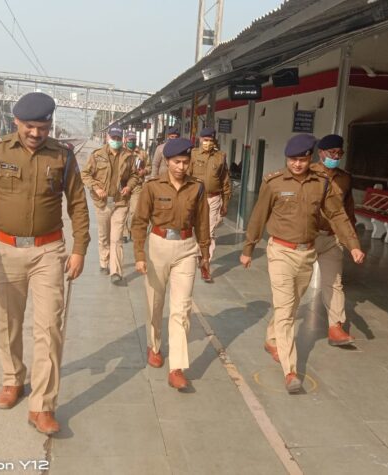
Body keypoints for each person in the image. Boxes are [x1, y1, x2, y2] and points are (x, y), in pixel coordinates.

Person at [0, 92, 90, 434]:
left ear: (50, 125)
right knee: (8, 322)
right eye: (29, 126)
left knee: (50, 327)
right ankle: (13, 378)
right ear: (16, 122)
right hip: (5, 251)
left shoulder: (62, 156)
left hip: (48, 252)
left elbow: (77, 203)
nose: (35, 133)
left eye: (42, 127)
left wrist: (80, 248)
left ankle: (42, 405)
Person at [239, 134, 365, 393]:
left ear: (310, 158)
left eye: (302, 159)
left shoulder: (321, 184)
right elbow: (258, 216)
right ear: (287, 159)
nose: (297, 164)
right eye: (292, 160)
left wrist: (353, 244)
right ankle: (290, 371)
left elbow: (338, 214)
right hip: (280, 252)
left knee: (291, 304)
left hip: (306, 253)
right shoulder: (274, 183)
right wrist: (248, 248)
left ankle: (272, 339)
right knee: (286, 310)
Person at [132, 138, 211, 391]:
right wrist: (139, 255)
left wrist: (205, 253)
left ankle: (176, 367)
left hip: (187, 249)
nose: (181, 167)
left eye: (186, 162)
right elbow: (139, 222)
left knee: (182, 308)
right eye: (177, 162)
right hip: (158, 246)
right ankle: (154, 345)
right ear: (167, 161)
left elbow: (203, 222)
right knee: (155, 302)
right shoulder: (152, 187)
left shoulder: (197, 188)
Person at [310, 134, 359, 346]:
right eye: (332, 153)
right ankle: (278, 330)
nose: (336, 157)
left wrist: (351, 241)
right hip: (308, 236)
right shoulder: (308, 173)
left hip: (332, 237)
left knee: (334, 282)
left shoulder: (345, 178)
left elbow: (348, 210)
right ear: (321, 153)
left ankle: (336, 327)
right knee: (296, 284)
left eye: (340, 153)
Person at [80, 125, 139, 284]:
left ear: (122, 139)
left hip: (120, 202)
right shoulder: (97, 155)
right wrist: (96, 187)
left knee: (117, 238)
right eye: (114, 138)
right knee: (104, 235)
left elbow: (134, 175)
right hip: (102, 203)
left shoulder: (128, 156)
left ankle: (116, 272)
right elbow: (85, 174)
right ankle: (104, 261)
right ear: (108, 138)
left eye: (119, 138)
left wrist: (129, 186)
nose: (116, 141)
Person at [190, 127, 232, 282]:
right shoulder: (193, 154)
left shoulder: (220, 157)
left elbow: (225, 182)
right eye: (205, 140)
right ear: (200, 139)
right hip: (195, 198)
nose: (207, 143)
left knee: (210, 232)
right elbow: (187, 176)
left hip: (213, 199)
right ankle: (195, 257)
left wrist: (225, 203)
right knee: (194, 230)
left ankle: (205, 263)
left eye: (210, 140)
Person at [122, 131, 151, 242]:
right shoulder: (121, 151)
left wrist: (144, 171)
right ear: (125, 140)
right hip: (123, 184)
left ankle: (132, 231)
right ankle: (124, 233)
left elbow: (149, 167)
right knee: (123, 209)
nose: (132, 142)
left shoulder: (142, 153)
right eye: (130, 140)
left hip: (137, 186)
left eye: (134, 140)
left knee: (134, 211)